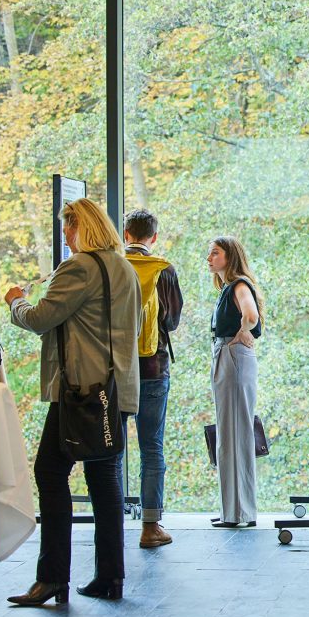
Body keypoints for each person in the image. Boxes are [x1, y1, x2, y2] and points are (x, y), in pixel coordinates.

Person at [5, 197, 141, 605]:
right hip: (115, 391)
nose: (64, 234)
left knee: (49, 471)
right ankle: (110, 577)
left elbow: (39, 318)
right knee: (104, 480)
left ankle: (51, 579)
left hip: (80, 391)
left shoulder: (79, 267)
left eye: (68, 226)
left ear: (83, 226)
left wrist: (15, 300)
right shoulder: (125, 269)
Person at [124, 209, 183, 548]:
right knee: (152, 447)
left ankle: (111, 521)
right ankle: (151, 527)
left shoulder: (113, 265)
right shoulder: (164, 269)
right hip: (154, 369)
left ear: (126, 233)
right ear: (154, 237)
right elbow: (172, 320)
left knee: (113, 450)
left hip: (117, 370)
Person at [208, 236, 263, 529]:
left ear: (229, 256)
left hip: (232, 355)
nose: (209, 258)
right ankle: (234, 509)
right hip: (227, 354)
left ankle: (239, 512)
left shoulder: (239, 285)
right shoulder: (228, 288)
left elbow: (251, 315)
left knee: (235, 432)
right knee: (229, 433)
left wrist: (242, 333)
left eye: (214, 253)